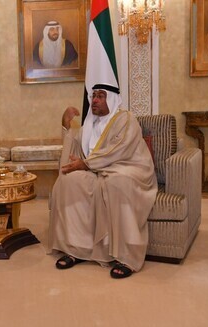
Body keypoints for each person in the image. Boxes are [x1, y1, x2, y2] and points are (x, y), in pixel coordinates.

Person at [48, 84, 157, 279]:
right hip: (97, 170)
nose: (95, 100)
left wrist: (87, 163)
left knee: (116, 184)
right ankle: (76, 248)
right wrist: (66, 126)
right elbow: (73, 156)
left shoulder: (126, 119)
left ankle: (126, 257)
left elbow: (120, 149)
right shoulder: (88, 126)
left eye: (101, 96)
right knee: (69, 182)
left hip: (129, 168)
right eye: (93, 96)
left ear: (113, 99)